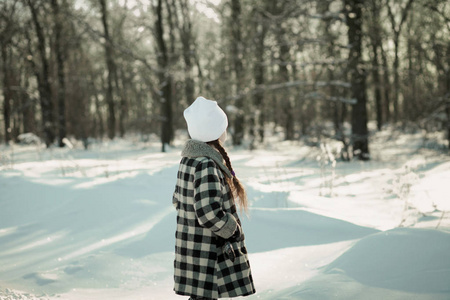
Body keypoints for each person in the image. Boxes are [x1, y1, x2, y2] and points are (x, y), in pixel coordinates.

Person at [172, 96, 256, 300]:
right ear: (217, 131)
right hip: (207, 255)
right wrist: (231, 228)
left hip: (194, 250)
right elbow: (208, 212)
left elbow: (178, 199)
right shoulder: (206, 164)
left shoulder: (190, 160)